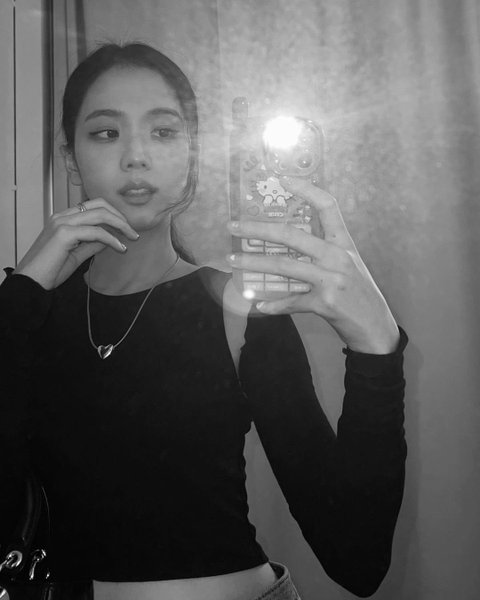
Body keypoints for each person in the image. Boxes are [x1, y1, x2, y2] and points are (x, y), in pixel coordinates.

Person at [0, 43, 407, 600]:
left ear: (192, 154)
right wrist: (20, 296)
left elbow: (357, 558)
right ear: (70, 156)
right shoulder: (28, 317)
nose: (136, 157)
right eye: (106, 133)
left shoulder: (237, 312)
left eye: (163, 132)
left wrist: (376, 346)